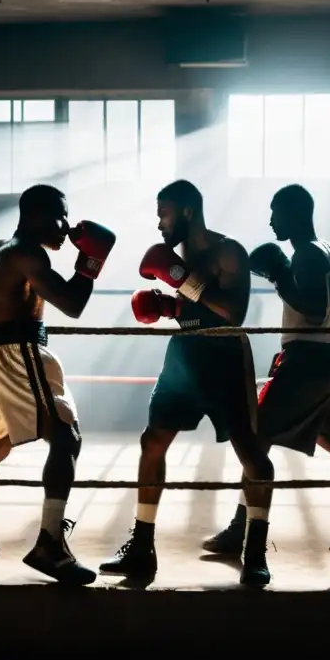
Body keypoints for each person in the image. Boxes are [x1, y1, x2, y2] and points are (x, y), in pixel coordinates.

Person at [99, 179, 276, 586]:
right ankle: (142, 548)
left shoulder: (228, 251)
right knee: (152, 442)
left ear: (187, 212)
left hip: (224, 355)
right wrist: (168, 306)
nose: (159, 224)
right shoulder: (177, 256)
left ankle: (255, 550)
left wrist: (180, 281)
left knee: (250, 452)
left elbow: (232, 312)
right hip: (184, 354)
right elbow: (194, 305)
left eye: (164, 214)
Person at [201, 184, 330, 556]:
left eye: (276, 213)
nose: (271, 221)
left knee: (255, 439)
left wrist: (279, 276)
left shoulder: (305, 256)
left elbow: (316, 311)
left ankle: (242, 530)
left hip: (308, 360)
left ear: (295, 213)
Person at [0, 184, 116, 586]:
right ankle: (49, 544)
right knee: (66, 437)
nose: (67, 227)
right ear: (36, 215)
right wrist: (90, 260)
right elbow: (72, 305)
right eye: (61, 217)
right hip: (17, 352)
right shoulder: (27, 253)